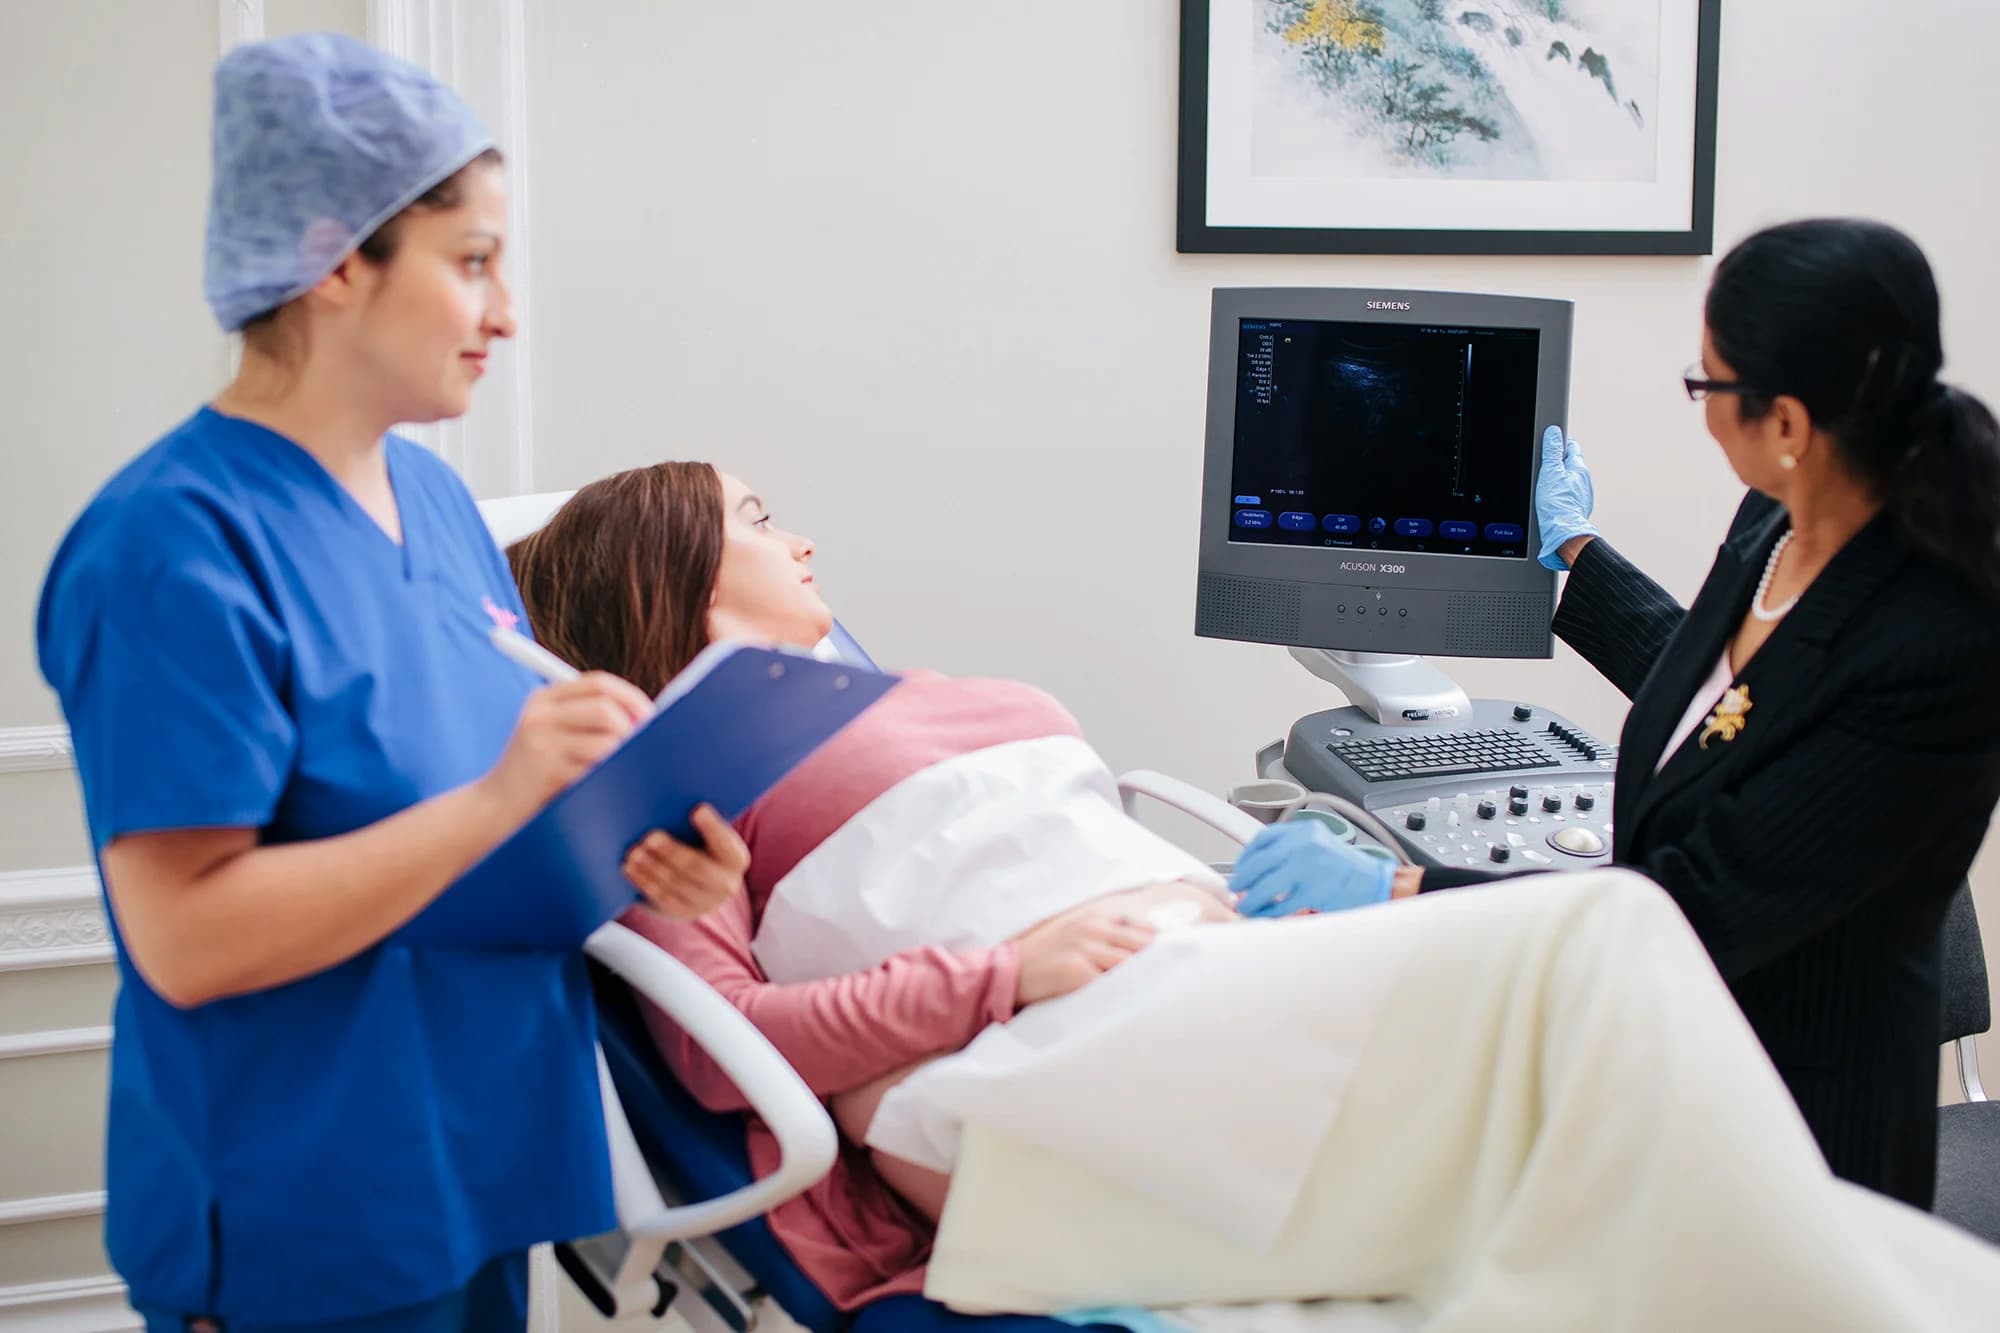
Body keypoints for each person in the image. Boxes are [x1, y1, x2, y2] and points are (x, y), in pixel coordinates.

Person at [507, 461, 2000, 1331]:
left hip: (1199, 982)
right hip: (1043, 1066)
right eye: (762, 517)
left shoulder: (897, 691)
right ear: (682, 581)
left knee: (1575, 1090)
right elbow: (722, 1048)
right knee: (1608, 931)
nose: (805, 536)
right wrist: (1010, 973)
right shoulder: (681, 772)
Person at [36, 35, 745, 1332]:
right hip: (311, 1206)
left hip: (478, 1157)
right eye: (471, 264)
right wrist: (501, 800)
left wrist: (641, 849)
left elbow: (461, 812)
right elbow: (185, 940)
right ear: (333, 258)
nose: (508, 312)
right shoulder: (171, 547)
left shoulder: (429, 495)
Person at [1235, 218, 2000, 1210]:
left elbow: (1684, 911)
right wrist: (1577, 553)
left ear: (1788, 424)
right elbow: (1725, 697)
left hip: (1795, 1133)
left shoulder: (1938, 641)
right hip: (1659, 1062)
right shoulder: (1780, 517)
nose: (1699, 408)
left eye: (1707, 384)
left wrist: (1402, 890)